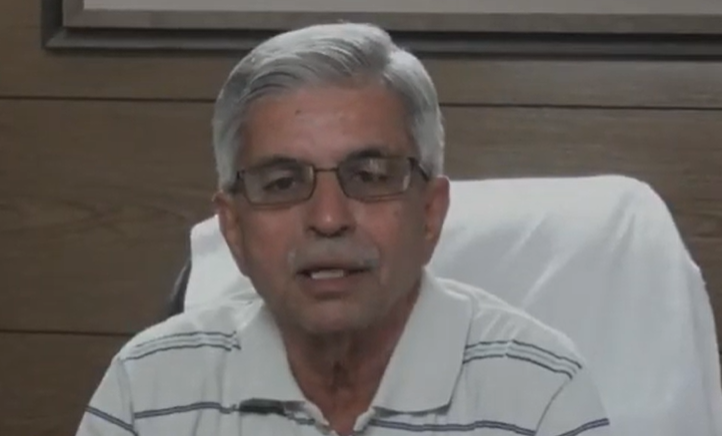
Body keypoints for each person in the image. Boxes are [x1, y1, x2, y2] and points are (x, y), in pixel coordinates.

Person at [75, 22, 612, 436]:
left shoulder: (540, 392)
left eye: (370, 177)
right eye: (283, 183)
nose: (328, 219)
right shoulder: (146, 390)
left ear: (430, 212)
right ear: (233, 227)